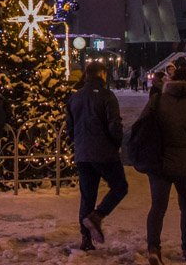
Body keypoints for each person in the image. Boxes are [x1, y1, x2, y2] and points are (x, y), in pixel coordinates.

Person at [144, 58, 186, 264]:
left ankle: (153, 248)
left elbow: (143, 127)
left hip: (160, 162)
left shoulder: (158, 100)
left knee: (157, 207)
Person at [67, 62, 127, 251]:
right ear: (101, 74)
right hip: (104, 152)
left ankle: (86, 240)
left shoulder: (74, 98)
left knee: (87, 196)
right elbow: (114, 125)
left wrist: (79, 144)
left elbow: (70, 128)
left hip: (82, 153)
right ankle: (97, 216)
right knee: (120, 187)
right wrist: (116, 143)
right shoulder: (107, 96)